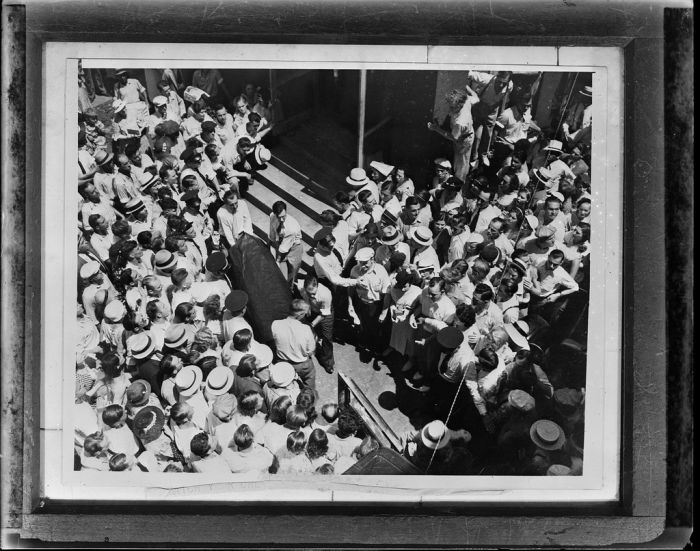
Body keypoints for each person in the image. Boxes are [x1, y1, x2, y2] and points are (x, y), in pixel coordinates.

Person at [428, 88, 479, 181]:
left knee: (460, 165)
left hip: (463, 141)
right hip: (465, 134)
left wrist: (436, 129)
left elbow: (453, 137)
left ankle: (459, 184)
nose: (450, 109)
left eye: (452, 107)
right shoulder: (466, 100)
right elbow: (476, 98)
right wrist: (468, 88)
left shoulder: (460, 121)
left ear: (460, 105)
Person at [350, 247, 391, 358]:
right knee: (361, 326)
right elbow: (351, 288)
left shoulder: (381, 271)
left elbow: (387, 293)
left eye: (365, 263)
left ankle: (376, 349)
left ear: (372, 259)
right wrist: (350, 304)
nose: (362, 266)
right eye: (360, 263)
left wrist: (384, 312)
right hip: (360, 303)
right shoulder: (355, 270)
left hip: (375, 305)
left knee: (376, 329)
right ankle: (363, 343)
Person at [271, 300, 317, 391]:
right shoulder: (306, 329)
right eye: (304, 313)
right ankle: (308, 402)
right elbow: (310, 351)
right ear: (299, 314)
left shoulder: (275, 324)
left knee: (287, 388)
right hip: (302, 365)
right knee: (309, 386)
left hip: (283, 363)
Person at [298, 274, 335, 374]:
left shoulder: (326, 294)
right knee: (314, 334)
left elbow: (323, 314)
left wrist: (312, 324)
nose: (312, 296)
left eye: (314, 293)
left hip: (325, 312)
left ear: (317, 286)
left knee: (327, 337)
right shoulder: (300, 286)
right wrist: (307, 306)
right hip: (312, 309)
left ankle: (328, 362)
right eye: (309, 294)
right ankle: (314, 346)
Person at [269, 201, 304, 287]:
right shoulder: (272, 216)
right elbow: (272, 233)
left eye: (283, 216)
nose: (281, 219)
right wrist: (270, 242)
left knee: (293, 270)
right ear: (275, 214)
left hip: (295, 247)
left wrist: (277, 260)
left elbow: (283, 249)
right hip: (282, 243)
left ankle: (290, 288)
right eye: (279, 216)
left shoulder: (291, 228)